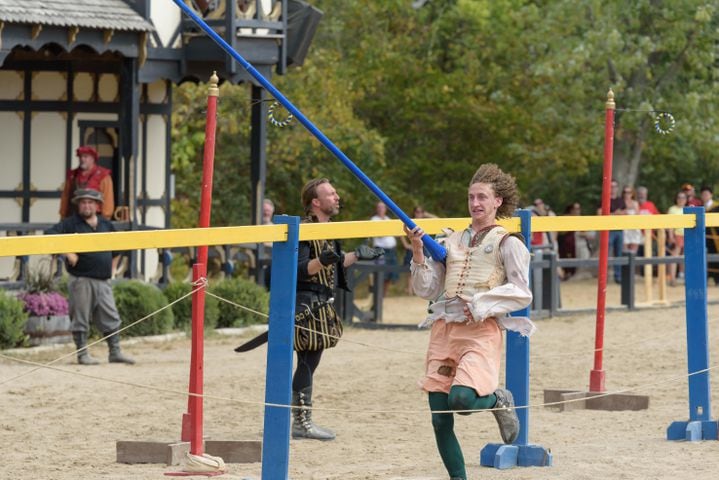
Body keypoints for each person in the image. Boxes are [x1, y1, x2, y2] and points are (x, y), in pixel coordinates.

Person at [405, 164, 535, 480]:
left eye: (482, 198)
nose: (475, 204)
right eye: (471, 197)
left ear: (497, 202)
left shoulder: (509, 242)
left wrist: (480, 304)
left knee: (462, 400)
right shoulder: (451, 241)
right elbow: (427, 289)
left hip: (481, 332)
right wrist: (419, 251)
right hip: (444, 330)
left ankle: (497, 400)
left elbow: (521, 292)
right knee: (439, 416)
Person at [291, 178, 384, 440]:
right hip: (306, 303)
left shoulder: (329, 229)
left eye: (335, 192)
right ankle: (301, 422)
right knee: (308, 361)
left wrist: (356, 255)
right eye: (331, 194)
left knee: (311, 360)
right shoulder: (307, 230)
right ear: (316, 202)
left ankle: (301, 420)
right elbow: (299, 269)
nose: (337, 197)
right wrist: (321, 260)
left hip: (321, 303)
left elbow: (334, 263)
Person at [45, 189, 134, 365]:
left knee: (111, 316)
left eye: (90, 202)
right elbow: (49, 235)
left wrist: (113, 267)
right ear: (78, 205)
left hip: (103, 280)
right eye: (83, 202)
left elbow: (118, 247)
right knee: (80, 317)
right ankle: (82, 354)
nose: (87, 205)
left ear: (97, 205)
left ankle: (115, 352)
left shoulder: (105, 224)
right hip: (81, 280)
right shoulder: (70, 224)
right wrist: (67, 252)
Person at [59, 146, 115, 220]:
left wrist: (105, 219)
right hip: (74, 218)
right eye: (80, 157)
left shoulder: (103, 176)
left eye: (85, 157)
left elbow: (108, 199)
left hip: (96, 218)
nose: (82, 159)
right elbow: (65, 197)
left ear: (93, 159)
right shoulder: (73, 175)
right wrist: (63, 216)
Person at [597, 180, 626, 283]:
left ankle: (617, 276)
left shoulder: (620, 200)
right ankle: (603, 277)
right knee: (606, 253)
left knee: (618, 254)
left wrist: (612, 214)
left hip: (619, 230)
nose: (613, 189)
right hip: (608, 231)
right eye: (611, 186)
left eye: (615, 187)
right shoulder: (604, 200)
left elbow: (625, 213)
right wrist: (616, 214)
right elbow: (600, 213)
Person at [370, 201, 400, 295]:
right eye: (379, 207)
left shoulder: (388, 219)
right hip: (380, 249)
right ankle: (377, 294)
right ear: (376, 209)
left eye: (382, 207)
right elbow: (378, 234)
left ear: (385, 209)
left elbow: (395, 233)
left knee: (390, 273)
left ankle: (384, 294)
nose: (381, 209)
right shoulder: (374, 220)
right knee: (380, 273)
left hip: (391, 249)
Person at [667, 191, 687, 286]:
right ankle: (672, 278)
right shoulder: (672, 209)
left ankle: (682, 276)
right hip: (677, 234)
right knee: (675, 256)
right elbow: (670, 224)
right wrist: (671, 236)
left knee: (685, 256)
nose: (681, 199)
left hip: (687, 235)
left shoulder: (687, 209)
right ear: (676, 198)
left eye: (683, 197)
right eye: (679, 197)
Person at [621, 186, 642, 254]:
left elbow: (638, 215)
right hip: (625, 228)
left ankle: (633, 264)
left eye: (629, 192)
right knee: (625, 251)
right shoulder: (621, 202)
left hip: (634, 228)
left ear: (632, 193)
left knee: (634, 251)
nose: (627, 194)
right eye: (625, 192)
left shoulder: (635, 203)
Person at [260, 198, 275, 290]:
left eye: (268, 210)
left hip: (272, 267)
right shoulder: (254, 227)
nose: (266, 213)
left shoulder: (275, 229)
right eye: (264, 210)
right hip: (257, 267)